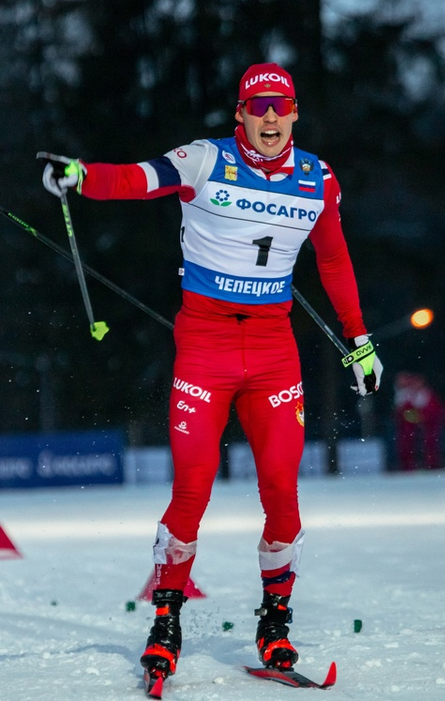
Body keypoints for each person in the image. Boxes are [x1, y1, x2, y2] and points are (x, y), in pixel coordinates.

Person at [41, 63, 382, 685]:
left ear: (295, 114)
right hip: (205, 345)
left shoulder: (319, 179)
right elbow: (138, 180)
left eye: (281, 107)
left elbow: (333, 257)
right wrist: (80, 176)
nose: (270, 118)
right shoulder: (205, 159)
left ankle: (274, 620)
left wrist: (359, 341)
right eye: (258, 107)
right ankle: (166, 619)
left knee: (282, 491)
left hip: (275, 351)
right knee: (191, 488)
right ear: (240, 115)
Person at [392, 372, 445, 471]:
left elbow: (435, 412)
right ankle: (409, 467)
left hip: (425, 425)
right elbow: (403, 414)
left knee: (429, 445)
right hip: (411, 426)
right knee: (406, 446)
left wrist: (420, 418)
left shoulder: (425, 395)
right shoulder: (405, 395)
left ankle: (431, 466)